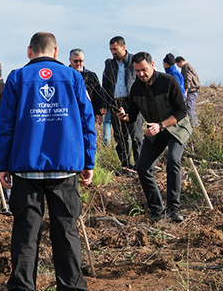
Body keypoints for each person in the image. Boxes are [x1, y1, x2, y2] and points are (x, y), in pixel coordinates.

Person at [0, 32, 95, 291]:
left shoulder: (16, 78)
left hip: (26, 167)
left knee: (26, 230)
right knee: (66, 229)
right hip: (65, 166)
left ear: (29, 51)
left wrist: (3, 164)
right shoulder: (73, 78)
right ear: (56, 52)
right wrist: (89, 161)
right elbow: (87, 120)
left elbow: (6, 124)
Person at [116, 52, 191, 222]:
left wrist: (161, 125)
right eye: (137, 71)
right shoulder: (136, 88)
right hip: (155, 131)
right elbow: (132, 115)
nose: (141, 74)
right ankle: (157, 210)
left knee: (173, 161)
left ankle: (174, 209)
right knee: (142, 167)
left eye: (143, 70)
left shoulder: (168, 81)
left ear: (152, 65)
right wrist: (125, 116)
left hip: (176, 128)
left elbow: (182, 111)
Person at [102, 36, 143, 172]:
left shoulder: (134, 61)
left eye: (115, 49)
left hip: (133, 104)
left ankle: (140, 167)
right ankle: (126, 166)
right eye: (111, 49)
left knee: (136, 137)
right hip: (116, 105)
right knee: (120, 137)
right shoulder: (109, 65)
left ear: (123, 47)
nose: (113, 52)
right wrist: (108, 105)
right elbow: (105, 86)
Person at [69, 49, 104, 117]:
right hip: (71, 113)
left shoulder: (91, 76)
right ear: (70, 60)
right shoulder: (65, 76)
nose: (78, 64)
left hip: (88, 113)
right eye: (76, 61)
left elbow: (97, 95)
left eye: (81, 61)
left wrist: (98, 113)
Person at [175, 56, 201, 127]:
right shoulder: (188, 66)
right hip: (193, 90)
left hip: (192, 90)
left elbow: (188, 79)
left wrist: (186, 90)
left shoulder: (186, 67)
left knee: (190, 109)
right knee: (191, 108)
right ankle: (195, 124)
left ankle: (193, 125)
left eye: (178, 64)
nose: (178, 66)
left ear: (181, 62)